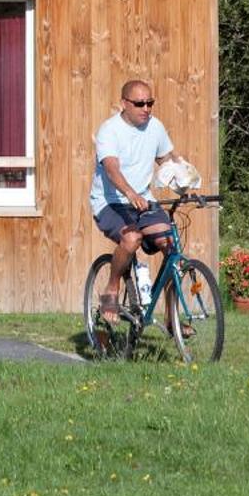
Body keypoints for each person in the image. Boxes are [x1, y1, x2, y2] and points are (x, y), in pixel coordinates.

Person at [88, 79, 183, 320]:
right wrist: (130, 193)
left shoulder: (155, 127)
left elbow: (167, 159)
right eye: (140, 103)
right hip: (110, 202)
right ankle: (111, 288)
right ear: (124, 104)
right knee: (131, 238)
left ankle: (173, 319)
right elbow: (111, 168)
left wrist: (185, 179)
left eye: (150, 103)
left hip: (142, 201)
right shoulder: (109, 130)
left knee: (172, 248)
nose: (146, 109)